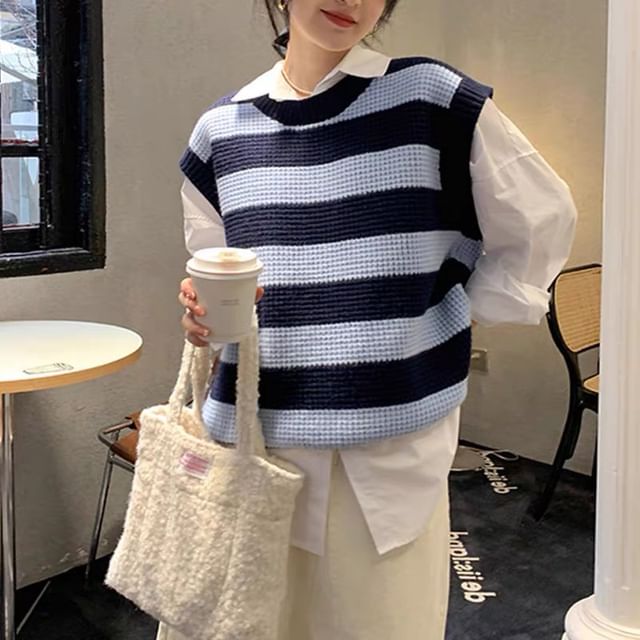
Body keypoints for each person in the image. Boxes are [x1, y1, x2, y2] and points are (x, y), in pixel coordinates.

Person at [172, 1, 577, 638]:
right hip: (254, 439)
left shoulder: (433, 99)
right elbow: (216, 267)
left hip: (381, 449)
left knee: (374, 619)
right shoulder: (219, 132)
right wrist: (203, 317)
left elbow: (543, 222)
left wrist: (443, 314)